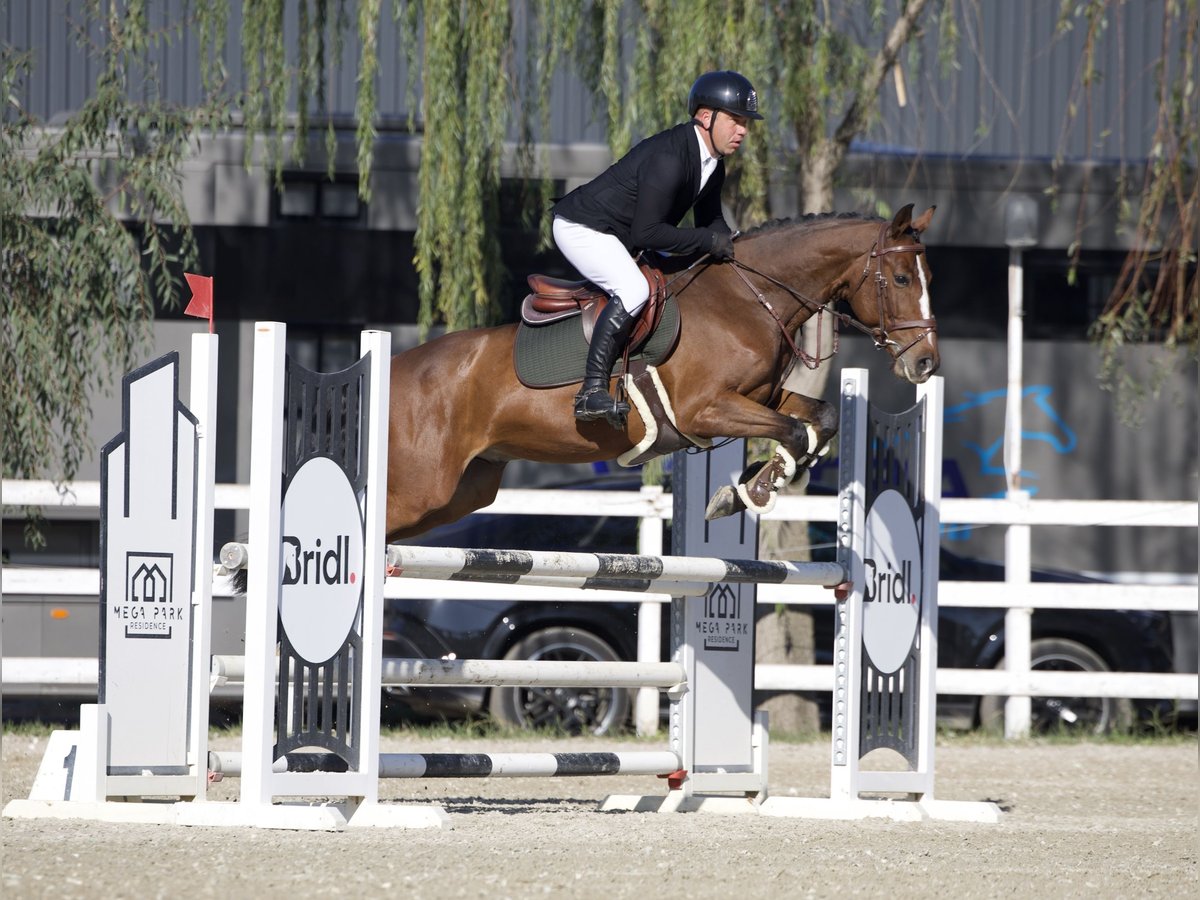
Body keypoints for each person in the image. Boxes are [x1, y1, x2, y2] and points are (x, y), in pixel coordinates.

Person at [552, 70, 763, 428]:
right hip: (583, 228)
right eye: (736, 120)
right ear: (705, 116)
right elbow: (649, 232)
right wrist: (710, 242)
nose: (742, 130)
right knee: (633, 289)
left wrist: (734, 249)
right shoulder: (670, 157)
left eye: (746, 123)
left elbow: (710, 221)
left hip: (622, 235)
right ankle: (590, 392)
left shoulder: (713, 164)